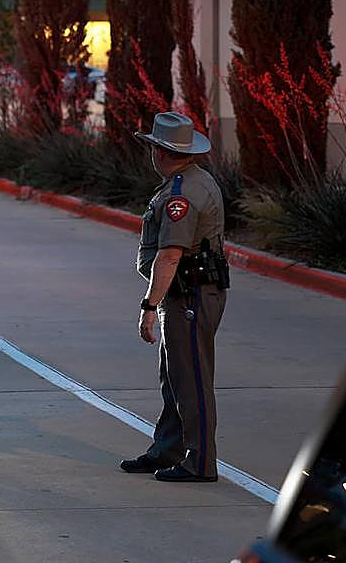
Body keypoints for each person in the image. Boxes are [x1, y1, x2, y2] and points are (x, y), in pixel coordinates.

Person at [122, 111, 229, 482]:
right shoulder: (193, 179)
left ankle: (200, 463)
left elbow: (169, 256)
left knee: (191, 381)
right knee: (175, 377)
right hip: (187, 294)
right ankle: (166, 450)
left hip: (190, 296)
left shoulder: (180, 195)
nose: (151, 153)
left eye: (153, 147)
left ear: (162, 152)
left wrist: (149, 307)